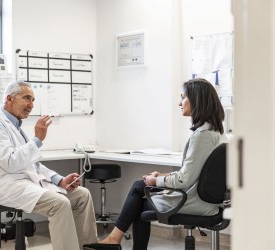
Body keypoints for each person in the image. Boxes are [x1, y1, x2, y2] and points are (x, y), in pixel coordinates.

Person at [83, 78, 226, 250]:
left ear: (197, 100)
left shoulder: (201, 136)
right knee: (141, 198)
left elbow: (184, 180)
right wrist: (162, 176)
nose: (179, 102)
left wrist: (155, 181)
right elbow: (196, 174)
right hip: (206, 200)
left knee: (139, 189)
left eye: (183, 97)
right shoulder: (215, 132)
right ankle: (114, 240)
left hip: (194, 202)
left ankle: (114, 240)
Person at [0, 80, 98, 250]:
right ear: (9, 99)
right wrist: (37, 139)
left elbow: (32, 164)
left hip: (25, 183)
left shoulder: (15, 125)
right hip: (7, 186)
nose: (31, 104)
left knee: (81, 195)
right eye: (27, 98)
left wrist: (59, 180)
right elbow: (11, 163)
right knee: (59, 203)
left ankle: (85, 246)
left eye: (33, 100)